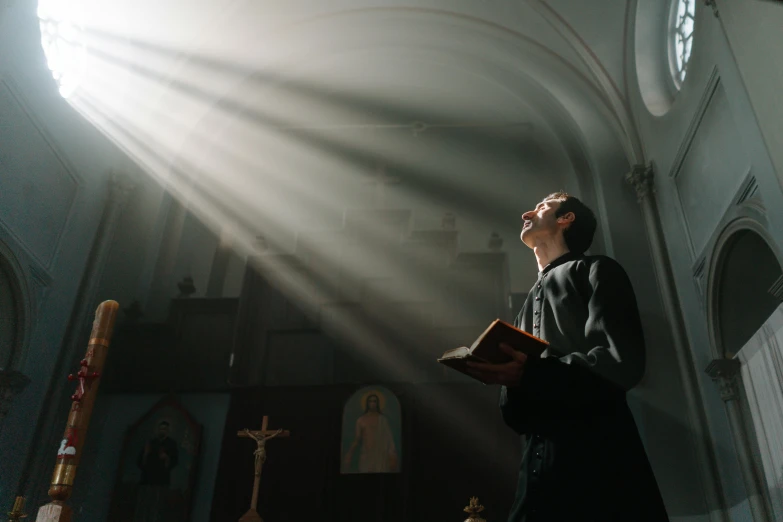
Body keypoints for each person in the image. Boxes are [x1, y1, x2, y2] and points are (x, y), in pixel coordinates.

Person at [467, 192, 669, 522]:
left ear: (566, 218)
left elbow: (622, 363)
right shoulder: (522, 308)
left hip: (598, 463)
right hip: (536, 472)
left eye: (543, 206)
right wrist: (509, 379)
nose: (526, 212)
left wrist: (530, 374)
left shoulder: (596, 270)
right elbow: (517, 419)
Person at [134, 420, 179, 522]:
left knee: (157, 505)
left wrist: (166, 458)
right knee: (144, 504)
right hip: (147, 478)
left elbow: (174, 461)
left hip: (161, 480)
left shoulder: (171, 444)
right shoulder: (151, 442)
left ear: (168, 431)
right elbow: (140, 461)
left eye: (165, 429)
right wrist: (146, 454)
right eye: (161, 428)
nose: (162, 431)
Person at [343, 393, 399, 473]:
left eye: (374, 401)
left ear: (377, 403)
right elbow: (357, 438)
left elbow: (389, 438)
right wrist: (349, 453)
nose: (372, 403)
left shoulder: (383, 420)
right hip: (366, 454)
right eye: (370, 401)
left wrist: (392, 455)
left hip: (381, 455)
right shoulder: (361, 420)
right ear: (367, 403)